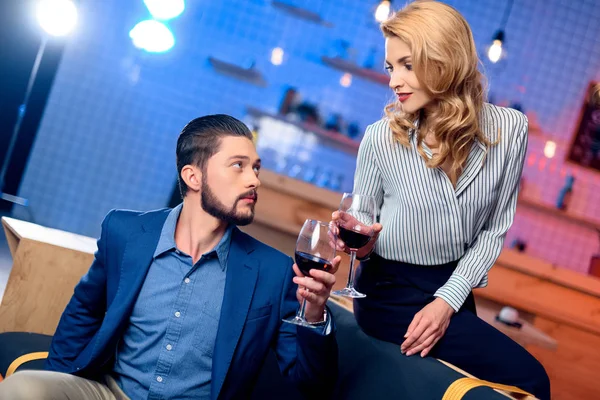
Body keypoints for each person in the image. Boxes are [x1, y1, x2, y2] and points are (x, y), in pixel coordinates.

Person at [0, 114, 340, 399]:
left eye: (256, 168)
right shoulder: (125, 232)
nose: (254, 180)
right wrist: (60, 379)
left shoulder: (273, 271)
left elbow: (311, 383)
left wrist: (313, 314)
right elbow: (84, 311)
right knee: (23, 389)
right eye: (238, 166)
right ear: (192, 176)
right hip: (110, 391)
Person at [332, 1, 550, 399]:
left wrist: (446, 302)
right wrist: (357, 239)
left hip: (454, 287)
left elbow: (493, 231)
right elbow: (362, 226)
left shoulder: (511, 130)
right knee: (532, 380)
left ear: (445, 59)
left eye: (407, 65)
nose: (395, 80)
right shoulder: (380, 138)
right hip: (388, 291)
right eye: (390, 67)